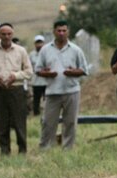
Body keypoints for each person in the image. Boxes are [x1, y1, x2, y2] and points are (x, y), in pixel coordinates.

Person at [36, 20, 88, 150]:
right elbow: (38, 70)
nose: (61, 33)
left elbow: (83, 70)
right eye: (59, 30)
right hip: (52, 91)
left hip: (71, 90)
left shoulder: (76, 50)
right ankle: (45, 148)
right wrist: (47, 73)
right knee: (48, 122)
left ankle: (68, 148)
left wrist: (72, 72)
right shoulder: (45, 50)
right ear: (54, 31)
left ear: (68, 32)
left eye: (64, 31)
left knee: (70, 122)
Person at [0, 23, 33, 155]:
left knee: (19, 121)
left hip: (16, 89)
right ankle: (4, 151)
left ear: (13, 34)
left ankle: (22, 151)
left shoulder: (21, 51)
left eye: (9, 34)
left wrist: (15, 76)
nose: (6, 37)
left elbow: (28, 71)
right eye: (3, 34)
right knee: (2, 122)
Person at [29, 35, 47, 116]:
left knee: (48, 99)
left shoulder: (47, 53)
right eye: (37, 43)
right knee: (36, 99)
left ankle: (48, 113)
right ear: (35, 44)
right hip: (36, 81)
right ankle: (36, 113)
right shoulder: (31, 55)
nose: (39, 45)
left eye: (41, 42)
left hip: (46, 81)